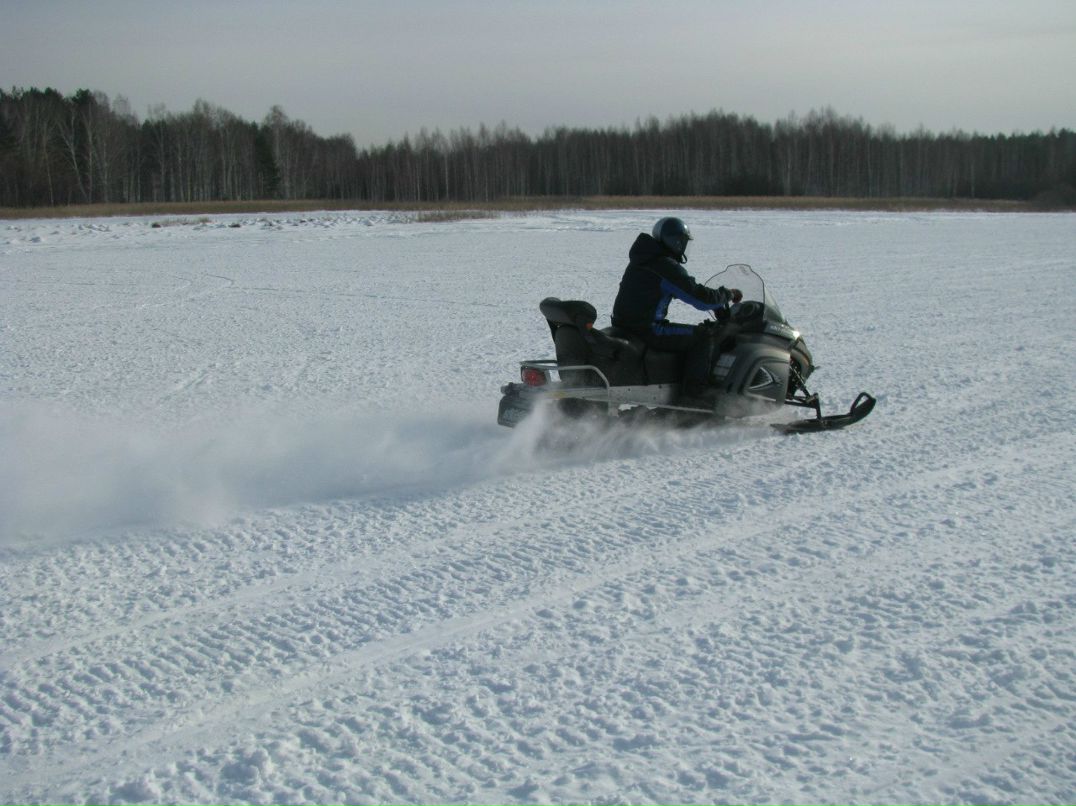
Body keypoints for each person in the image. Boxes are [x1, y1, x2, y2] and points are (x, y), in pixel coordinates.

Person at [611, 217, 741, 402]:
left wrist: (717, 302)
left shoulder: (643, 259)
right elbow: (699, 298)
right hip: (647, 329)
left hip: (626, 325)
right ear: (676, 242)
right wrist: (727, 294)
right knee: (703, 336)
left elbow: (676, 290)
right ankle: (694, 397)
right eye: (683, 242)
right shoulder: (664, 266)